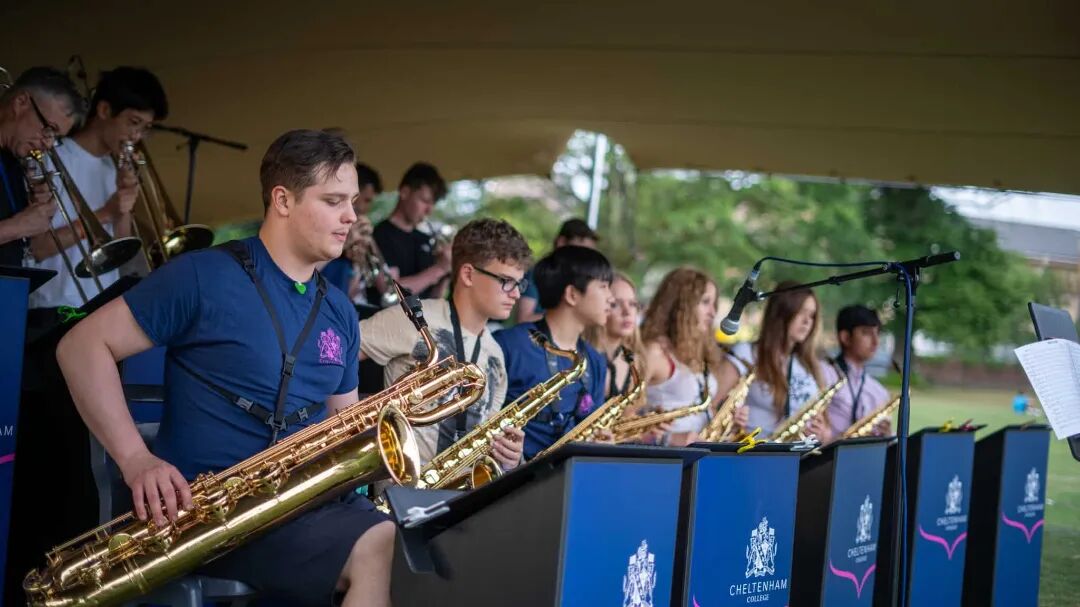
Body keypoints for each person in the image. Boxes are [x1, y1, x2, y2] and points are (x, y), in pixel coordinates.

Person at [54, 129, 393, 606]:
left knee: (423, 537)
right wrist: (136, 459)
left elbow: (346, 430)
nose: (352, 217)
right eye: (334, 200)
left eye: (353, 201)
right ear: (283, 200)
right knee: (381, 544)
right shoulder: (201, 275)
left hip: (302, 512)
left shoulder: (339, 310)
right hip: (207, 518)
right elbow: (81, 346)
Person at [359, 218, 531, 468]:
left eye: (520, 283)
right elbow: (337, 357)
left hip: (464, 495)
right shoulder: (415, 318)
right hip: (402, 494)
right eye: (506, 281)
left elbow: (486, 438)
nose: (516, 293)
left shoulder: (495, 353)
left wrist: (509, 456)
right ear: (468, 274)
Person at [27, 67, 167, 327]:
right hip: (53, 307)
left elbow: (121, 247)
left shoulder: (113, 167)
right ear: (104, 111)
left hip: (101, 307)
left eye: (145, 128)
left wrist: (124, 205)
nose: (137, 136)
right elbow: (39, 249)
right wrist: (106, 212)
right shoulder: (52, 157)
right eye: (133, 122)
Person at [495, 245, 612, 459]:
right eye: (603, 287)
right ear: (572, 294)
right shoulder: (509, 345)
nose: (610, 298)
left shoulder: (595, 361)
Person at [716, 280, 834, 442]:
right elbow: (712, 407)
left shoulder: (809, 364)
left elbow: (827, 431)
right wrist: (731, 420)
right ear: (782, 312)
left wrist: (823, 434)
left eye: (812, 316)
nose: (808, 322)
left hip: (800, 459)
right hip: (754, 455)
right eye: (801, 312)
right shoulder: (748, 353)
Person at [0, 67, 84, 267]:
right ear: (21, 103)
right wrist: (17, 226)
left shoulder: (13, 160)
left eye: (55, 137)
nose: (48, 143)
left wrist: (31, 209)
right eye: (49, 128)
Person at [639, 268, 724, 446]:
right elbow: (625, 419)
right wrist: (668, 439)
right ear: (681, 305)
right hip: (666, 462)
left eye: (713, 303)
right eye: (705, 302)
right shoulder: (654, 351)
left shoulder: (695, 351)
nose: (713, 313)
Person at [370, 161, 450, 300]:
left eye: (433, 204)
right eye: (424, 200)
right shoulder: (380, 234)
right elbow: (391, 292)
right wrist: (439, 269)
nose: (429, 210)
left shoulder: (425, 239)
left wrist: (447, 271)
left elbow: (435, 298)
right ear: (405, 192)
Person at [825, 304, 892, 437]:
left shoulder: (879, 392)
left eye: (877, 333)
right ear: (845, 337)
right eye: (866, 333)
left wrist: (888, 435)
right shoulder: (823, 373)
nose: (875, 341)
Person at [514, 218, 599, 324]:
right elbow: (523, 319)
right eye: (580, 251)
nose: (584, 259)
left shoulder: (578, 279)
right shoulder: (536, 274)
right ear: (561, 242)